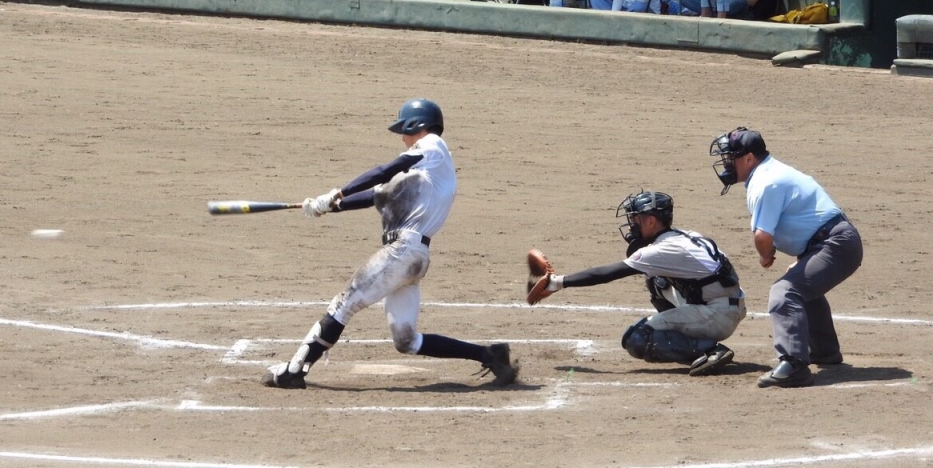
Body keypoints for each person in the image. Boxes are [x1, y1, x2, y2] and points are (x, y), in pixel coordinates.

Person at [261, 98, 519, 389]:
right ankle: (489, 355)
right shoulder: (421, 174)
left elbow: (384, 170)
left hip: (402, 251)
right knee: (406, 341)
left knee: (344, 305)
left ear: (416, 125)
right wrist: (326, 205)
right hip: (413, 257)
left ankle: (294, 371)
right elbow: (373, 194)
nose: (402, 138)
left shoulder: (432, 146)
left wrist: (337, 192)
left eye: (404, 131)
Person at [527, 191, 746, 377]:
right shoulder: (683, 236)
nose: (632, 225)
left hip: (718, 315)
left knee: (637, 339)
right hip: (726, 303)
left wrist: (557, 282)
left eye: (636, 219)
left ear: (651, 221)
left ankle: (709, 351)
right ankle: (690, 337)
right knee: (657, 282)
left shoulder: (662, 250)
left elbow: (608, 273)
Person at [709, 127, 864, 388]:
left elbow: (762, 236)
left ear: (748, 158)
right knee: (801, 285)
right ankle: (825, 351)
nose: (726, 164)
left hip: (835, 243)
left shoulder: (766, 182)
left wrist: (765, 255)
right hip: (830, 242)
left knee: (785, 291)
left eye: (730, 158)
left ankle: (794, 366)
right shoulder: (770, 172)